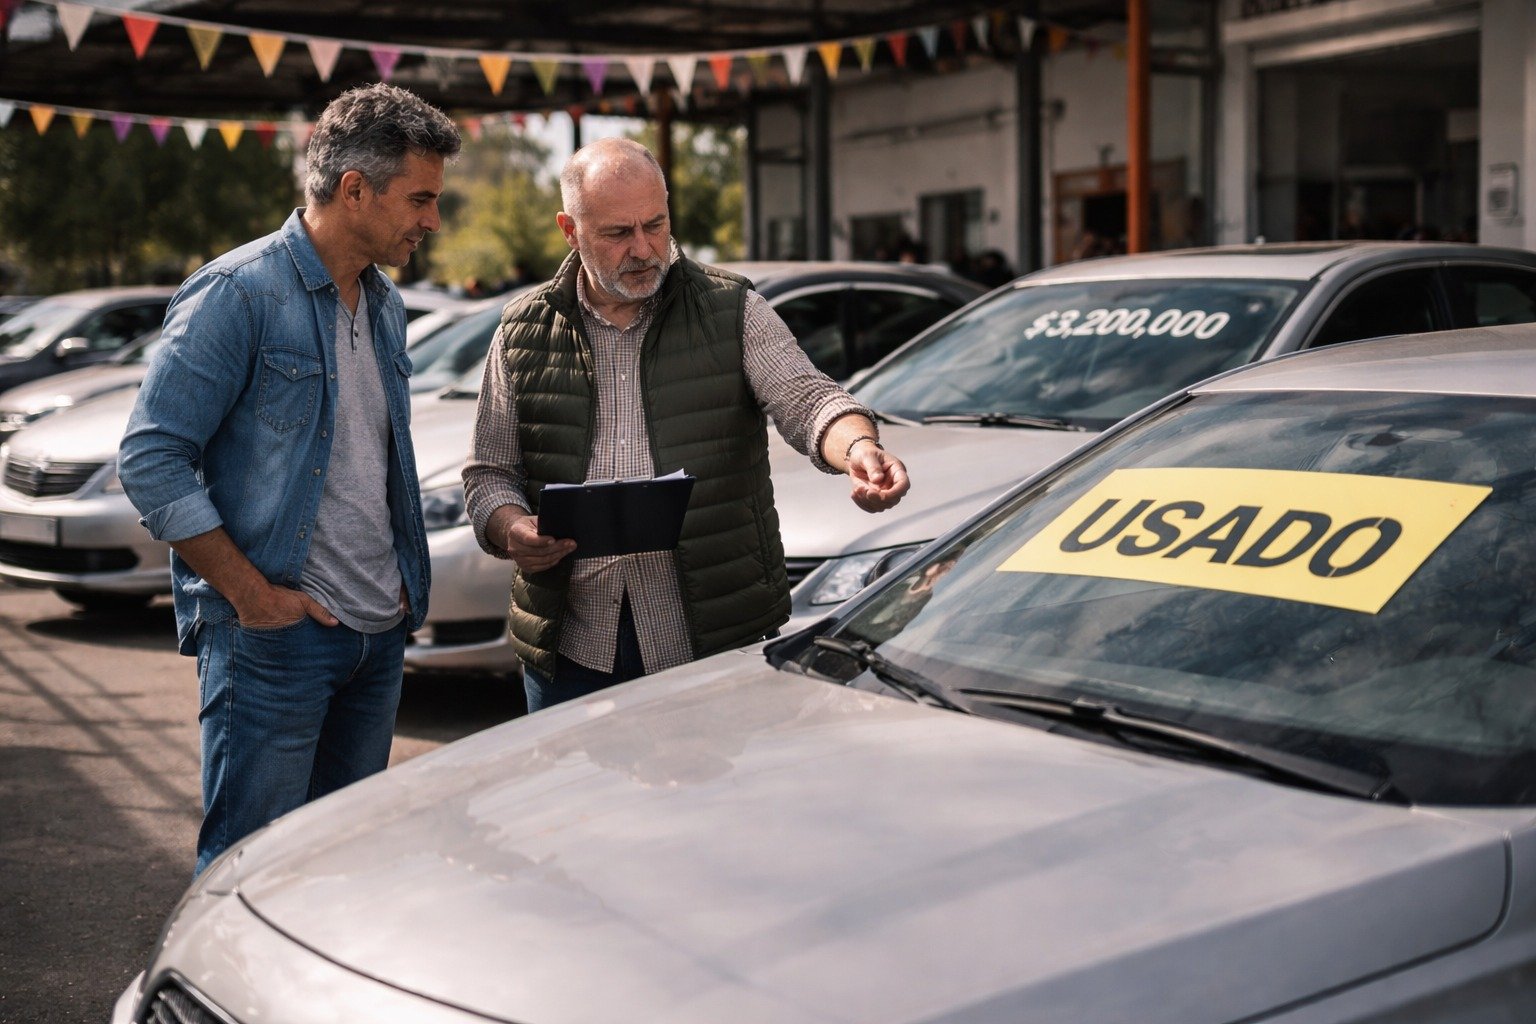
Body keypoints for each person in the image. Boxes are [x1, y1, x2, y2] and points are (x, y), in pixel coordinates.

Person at [119, 84, 460, 874]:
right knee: (248, 870)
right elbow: (151, 456)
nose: (431, 221)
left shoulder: (383, 304)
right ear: (353, 190)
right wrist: (251, 596)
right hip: (277, 641)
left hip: (377, 637)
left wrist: (401, 589)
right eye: (420, 199)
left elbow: (373, 461)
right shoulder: (238, 294)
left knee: (338, 873)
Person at [464, 137, 910, 713]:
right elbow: (488, 474)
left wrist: (859, 447)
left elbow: (807, 398)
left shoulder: (731, 310)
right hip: (570, 651)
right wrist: (510, 529)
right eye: (618, 233)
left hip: (713, 644)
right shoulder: (521, 332)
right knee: (581, 807)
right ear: (570, 230)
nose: (645, 248)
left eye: (656, 224)